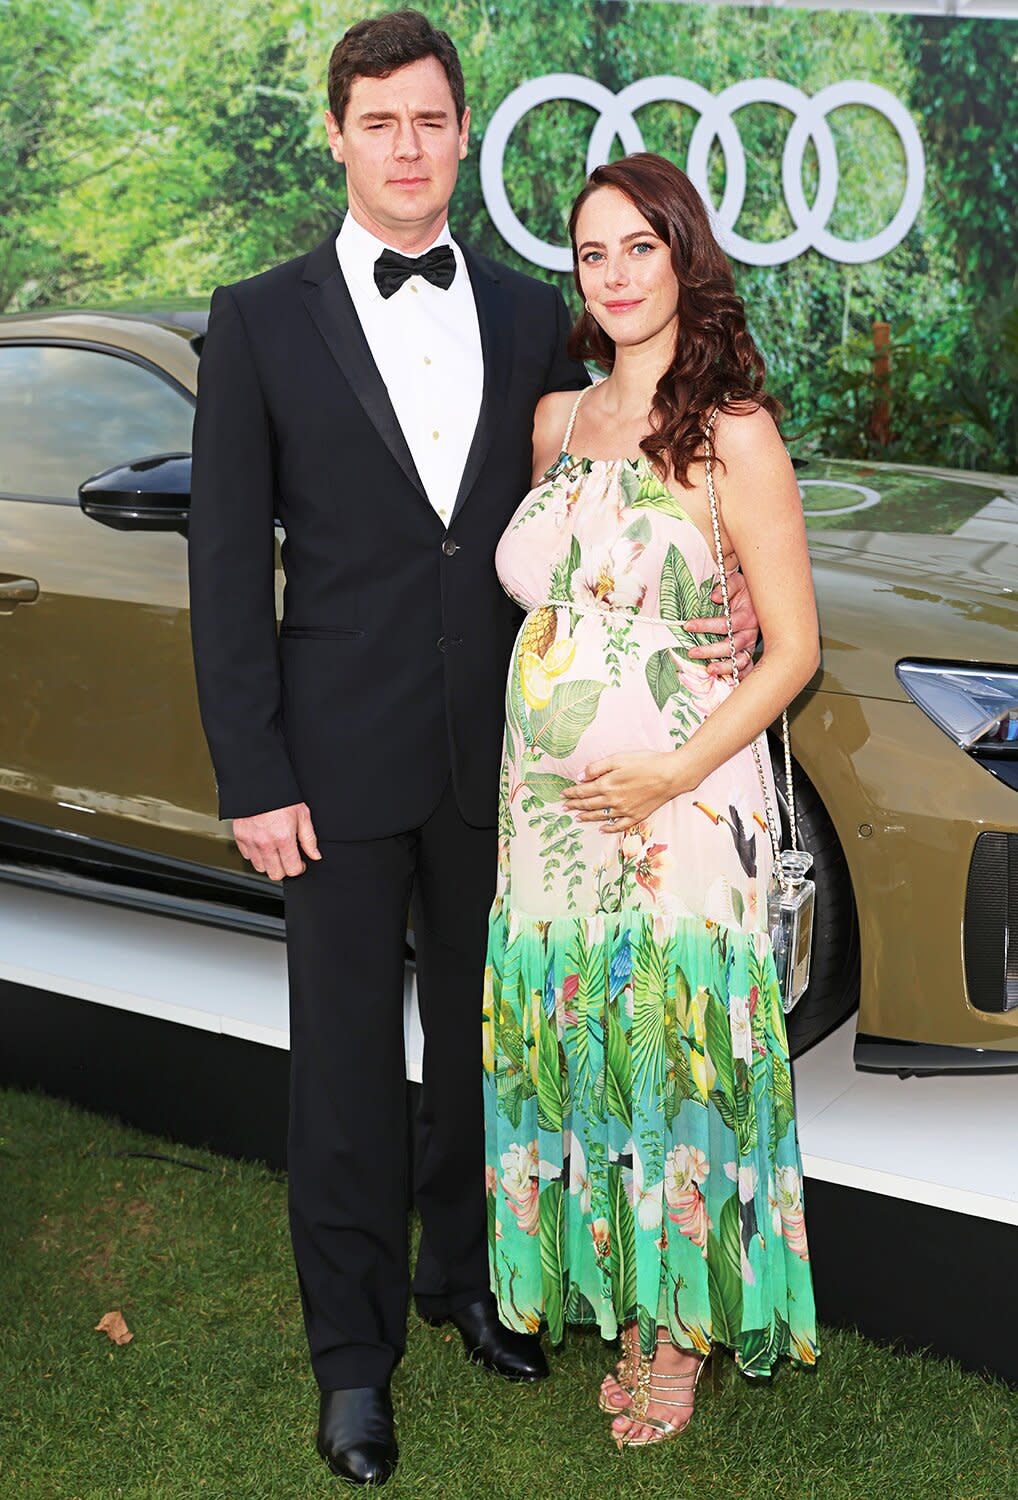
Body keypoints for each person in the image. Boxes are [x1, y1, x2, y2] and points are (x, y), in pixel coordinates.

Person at [187, 12, 760, 1486]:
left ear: (461, 132)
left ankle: (465, 1288)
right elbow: (220, 571)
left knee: (485, 1054)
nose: (406, 147)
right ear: (337, 135)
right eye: (377, 122)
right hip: (327, 767)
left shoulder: (525, 319)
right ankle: (352, 1361)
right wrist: (253, 774)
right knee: (343, 1075)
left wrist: (731, 606)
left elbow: (618, 494)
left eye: (430, 121)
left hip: (504, 771)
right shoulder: (255, 316)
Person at [484, 151, 820, 1450]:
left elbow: (791, 647)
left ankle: (674, 1334)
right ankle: (619, 1304)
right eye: (591, 253)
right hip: (550, 819)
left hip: (679, 808)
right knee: (584, 1053)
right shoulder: (557, 423)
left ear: (683, 256)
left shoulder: (734, 432)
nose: (614, 274)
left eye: (638, 246)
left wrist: (671, 772)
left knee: (673, 1055)